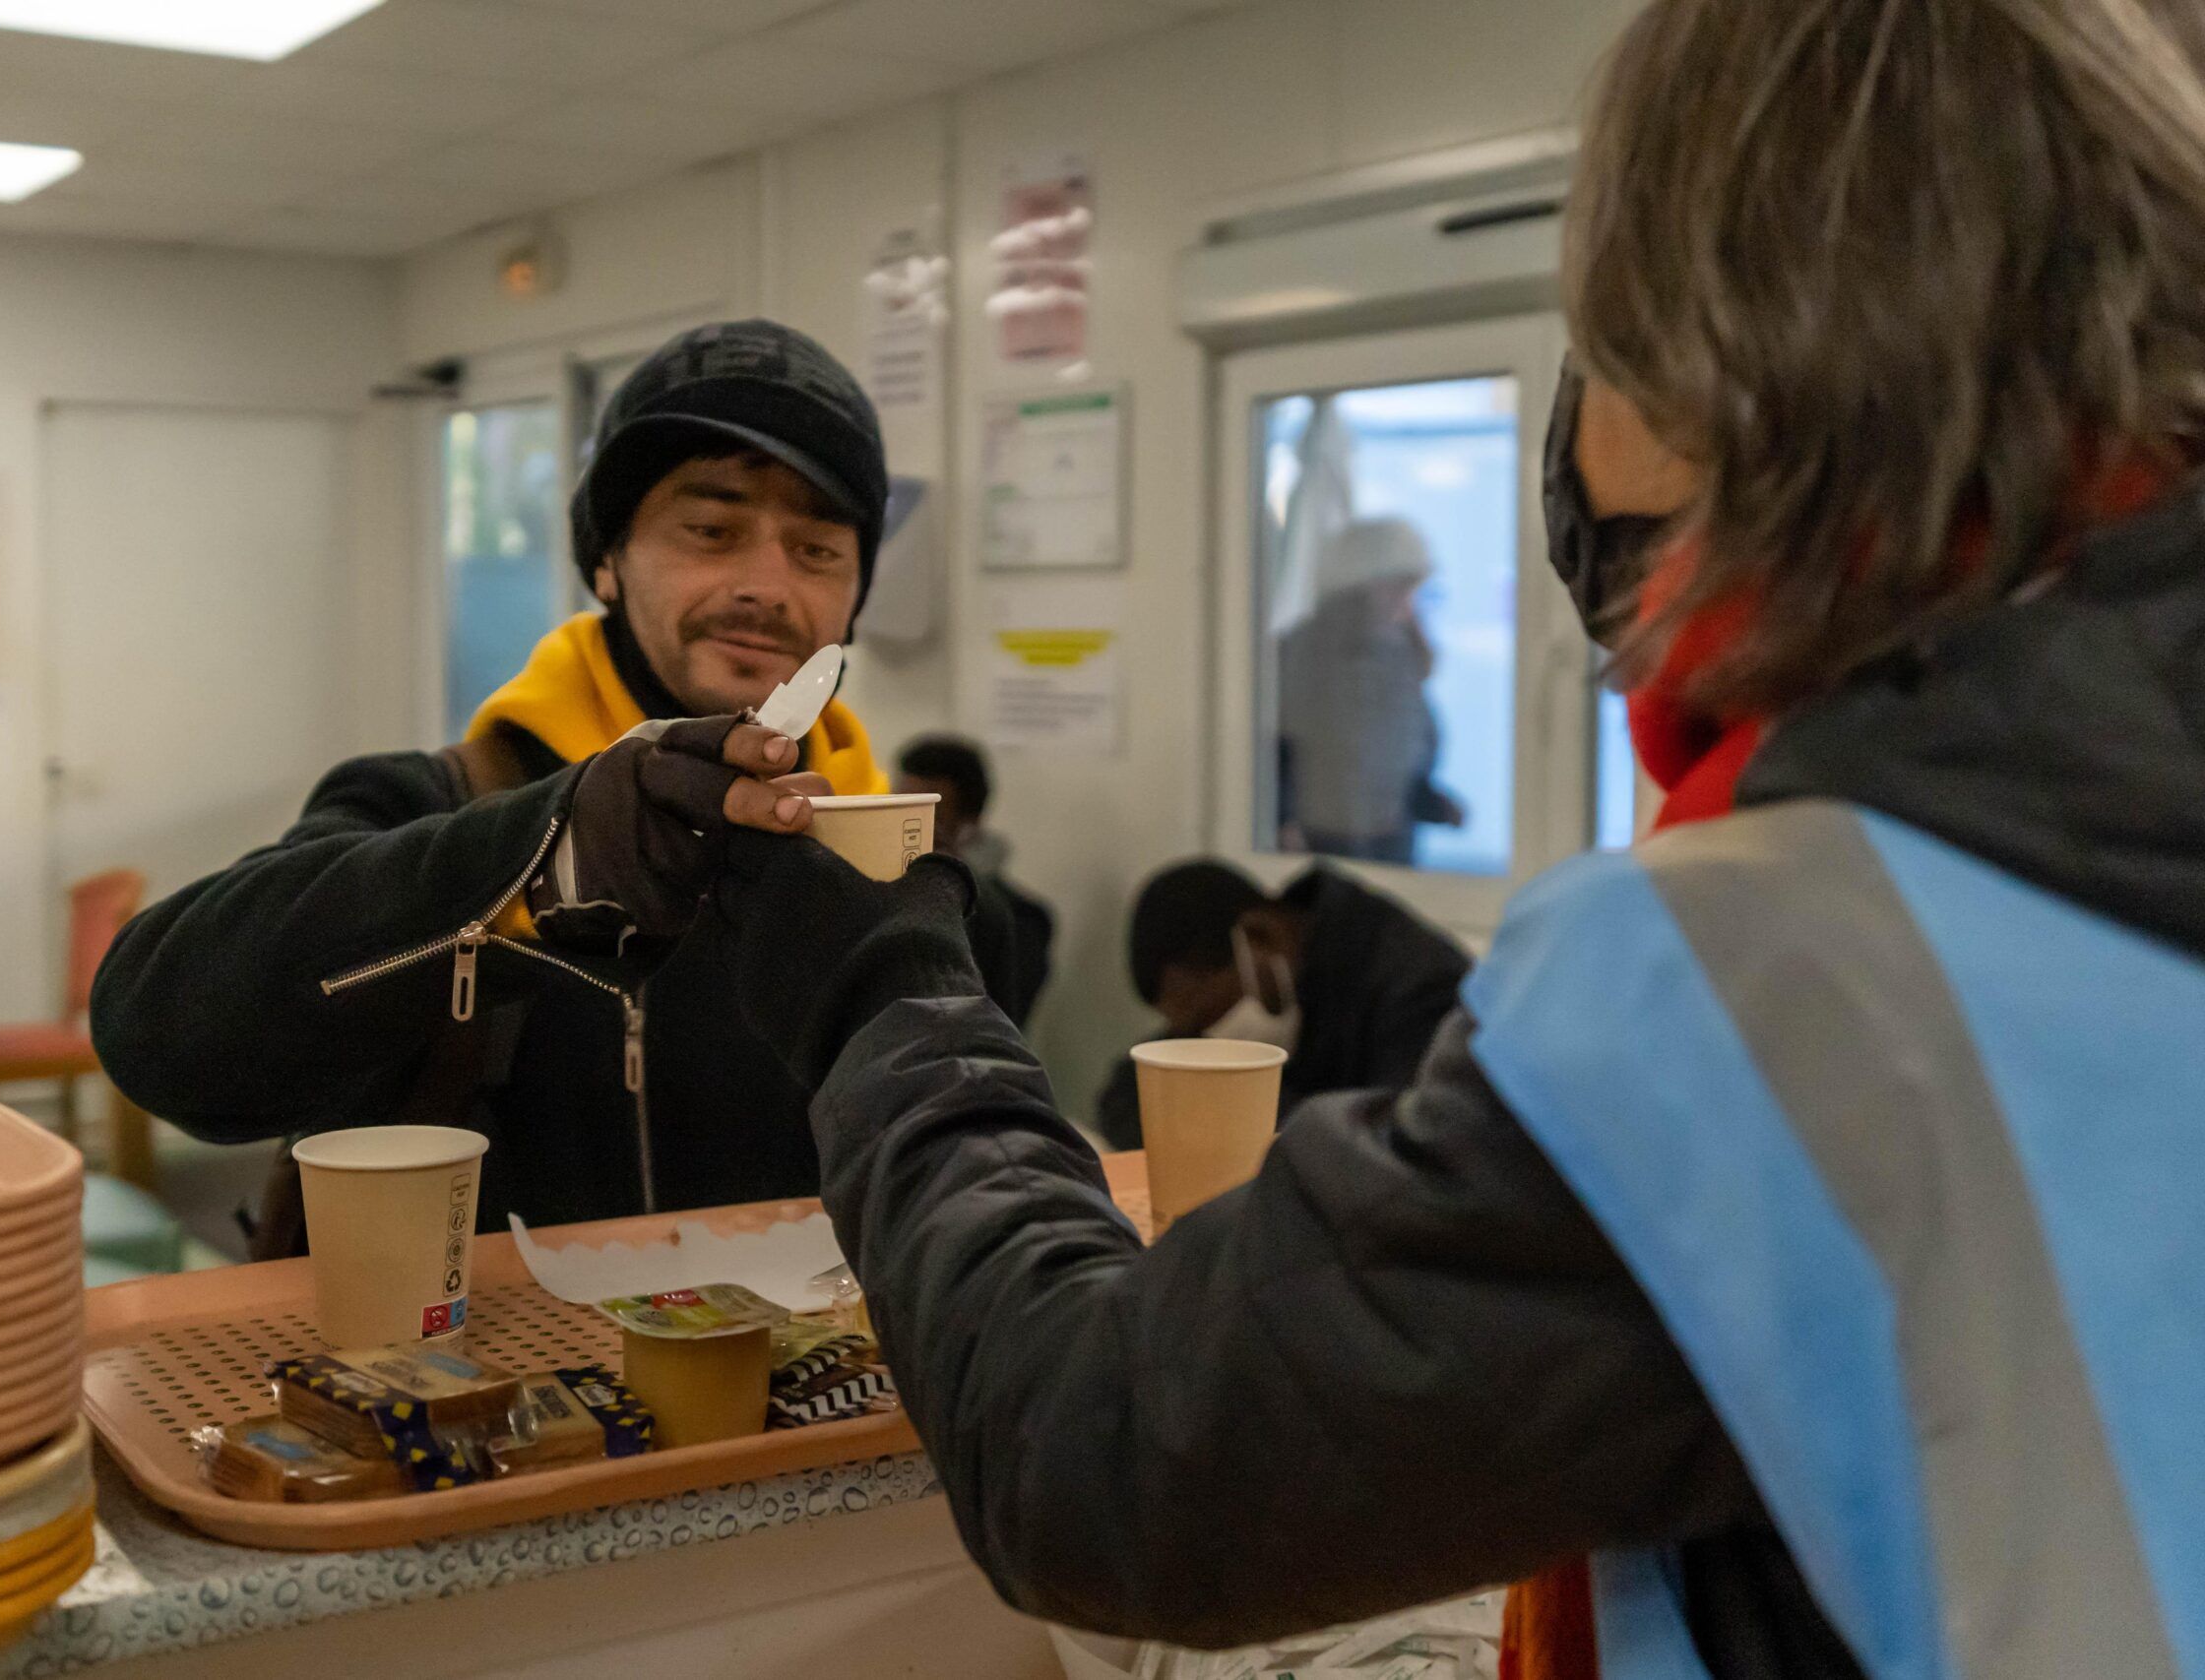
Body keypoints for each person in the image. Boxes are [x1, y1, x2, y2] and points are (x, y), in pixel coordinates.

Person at [694, 1, 2205, 1672]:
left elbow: (1114, 1461)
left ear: (1724, 353)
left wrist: (889, 985)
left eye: (1598, 333)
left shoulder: (1768, 967)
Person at [92, 319, 896, 1233]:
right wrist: (530, 864)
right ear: (606, 560)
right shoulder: (432, 803)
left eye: (818, 550)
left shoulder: (900, 859)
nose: (765, 583)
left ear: (856, 595)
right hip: (487, 1367)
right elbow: (160, 1035)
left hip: (824, 1372)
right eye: (710, 528)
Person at [1093, 858, 1467, 1149]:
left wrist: (1221, 1113)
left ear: (1261, 937)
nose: (1213, 1037)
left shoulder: (1419, 989)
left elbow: (1387, 1148)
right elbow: (1128, 1093)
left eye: (1212, 1017)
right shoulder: (1282, 968)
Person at [1275, 520, 1466, 862]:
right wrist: (1283, 818)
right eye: (1398, 588)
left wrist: (1427, 800)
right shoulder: (1311, 649)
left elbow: (1400, 744)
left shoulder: (1396, 649)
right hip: (1326, 842)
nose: (1405, 604)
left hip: (1389, 836)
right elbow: (1291, 742)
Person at [896, 734, 1055, 1028]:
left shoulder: (1020, 920)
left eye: (932, 818)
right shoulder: (883, 900)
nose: (911, 832)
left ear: (970, 823)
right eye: (900, 811)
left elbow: (1004, 1021)